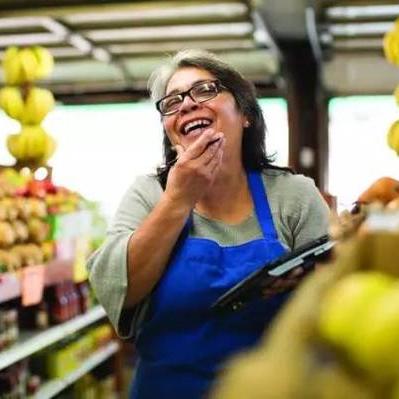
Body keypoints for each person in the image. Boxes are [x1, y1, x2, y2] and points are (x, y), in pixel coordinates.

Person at [87, 49, 330, 399]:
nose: (185, 105)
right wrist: (178, 199)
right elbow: (118, 289)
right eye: (171, 102)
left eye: (204, 90)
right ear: (169, 132)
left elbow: (329, 301)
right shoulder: (148, 194)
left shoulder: (293, 195)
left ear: (245, 113)